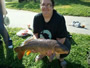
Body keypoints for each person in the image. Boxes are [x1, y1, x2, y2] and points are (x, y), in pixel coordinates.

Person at [33, 0, 71, 68]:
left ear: (53, 6)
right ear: (40, 6)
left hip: (55, 43)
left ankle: (61, 59)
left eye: (48, 5)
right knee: (34, 43)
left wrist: (52, 51)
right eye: (43, 4)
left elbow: (61, 38)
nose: (45, 7)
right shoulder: (37, 18)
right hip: (43, 42)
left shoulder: (59, 18)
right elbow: (35, 34)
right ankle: (42, 54)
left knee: (66, 46)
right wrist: (36, 44)